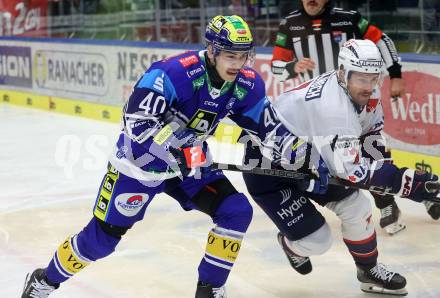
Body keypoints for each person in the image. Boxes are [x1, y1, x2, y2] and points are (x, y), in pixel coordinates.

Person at [21, 15, 317, 298]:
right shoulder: (173, 73)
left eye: (243, 56)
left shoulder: (246, 84)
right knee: (101, 241)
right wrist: (177, 152)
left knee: (236, 210)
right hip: (139, 166)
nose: (238, 64)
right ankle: (45, 280)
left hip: (189, 167)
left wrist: (304, 156)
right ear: (212, 51)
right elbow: (136, 124)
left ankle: (209, 289)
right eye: (230, 56)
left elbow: (269, 128)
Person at [242, 39, 440, 295]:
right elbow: (354, 171)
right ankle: (292, 246)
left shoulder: (365, 91)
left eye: (373, 78)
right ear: (342, 73)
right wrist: (408, 183)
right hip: (269, 168)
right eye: (361, 79)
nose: (368, 87)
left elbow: (372, 137)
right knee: (318, 241)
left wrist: (388, 178)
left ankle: (368, 271)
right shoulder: (334, 109)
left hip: (314, 159)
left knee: (357, 206)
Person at [270, 0, 440, 234]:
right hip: (324, 114)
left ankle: (393, 201)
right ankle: (405, 197)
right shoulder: (290, 24)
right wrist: (291, 68)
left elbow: (382, 40)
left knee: (373, 146)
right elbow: (276, 67)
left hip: (357, 95)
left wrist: (396, 73)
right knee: (352, 163)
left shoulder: (347, 17)